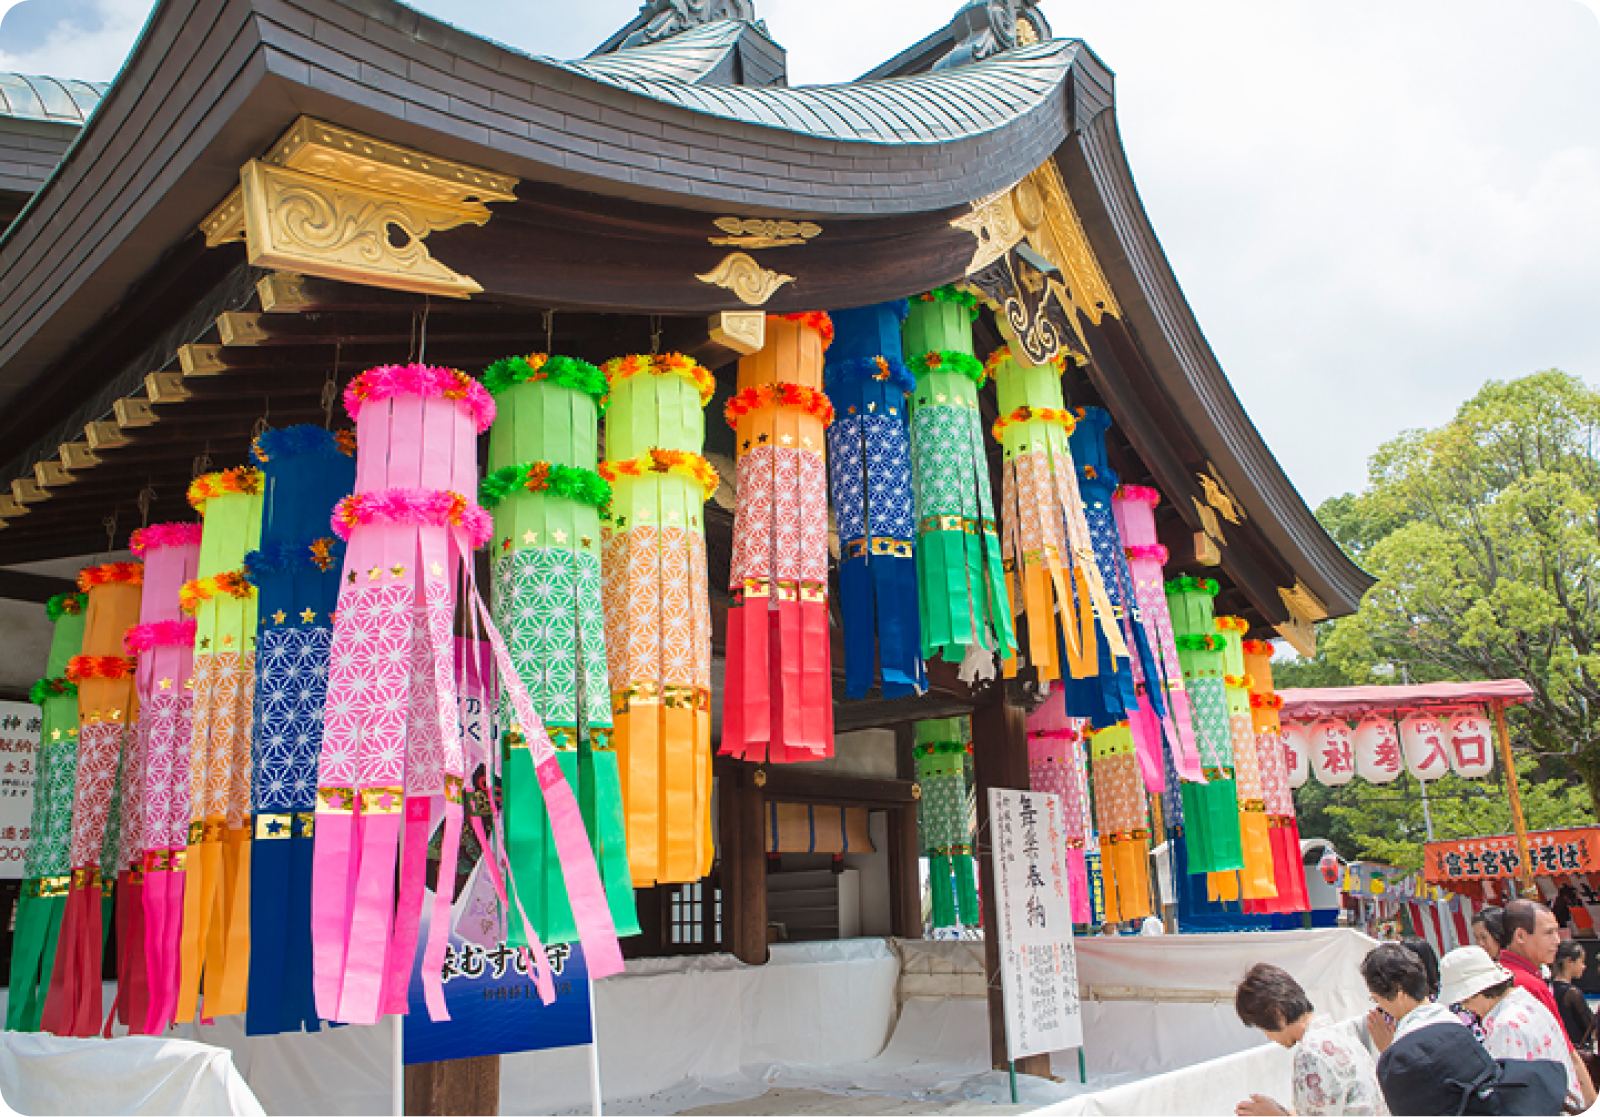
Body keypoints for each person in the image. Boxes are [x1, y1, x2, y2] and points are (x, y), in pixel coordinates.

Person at [1438, 944, 1583, 1112]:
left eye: (1466, 1001)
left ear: (1478, 992)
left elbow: (1510, 1097)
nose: (1466, 1007)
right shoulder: (1525, 1002)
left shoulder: (1505, 1026)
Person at [1233, 962, 1387, 1117]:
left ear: (1278, 1015)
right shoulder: (1342, 1036)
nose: (1268, 1036)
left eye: (1264, 1029)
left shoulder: (1311, 1053)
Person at [1361, 943, 1460, 1054]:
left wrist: (1388, 1052)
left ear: (1398, 992)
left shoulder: (1409, 1038)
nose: (1379, 1007)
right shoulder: (1451, 1019)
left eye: (1376, 999)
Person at [1550, 940, 1594, 1048]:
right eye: (1582, 962)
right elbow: (1590, 1026)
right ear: (1569, 961)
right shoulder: (1572, 993)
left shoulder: (1548, 987)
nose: (1584, 967)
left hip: (1556, 1046)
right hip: (1574, 1049)